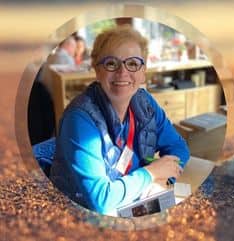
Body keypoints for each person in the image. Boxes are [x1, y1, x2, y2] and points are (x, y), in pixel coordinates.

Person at [49, 26, 190, 216]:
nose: (122, 72)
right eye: (111, 63)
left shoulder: (146, 103)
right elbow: (102, 201)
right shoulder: (79, 119)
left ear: (143, 70)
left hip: (131, 200)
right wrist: (151, 173)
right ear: (97, 70)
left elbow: (179, 147)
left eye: (132, 63)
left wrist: (165, 178)